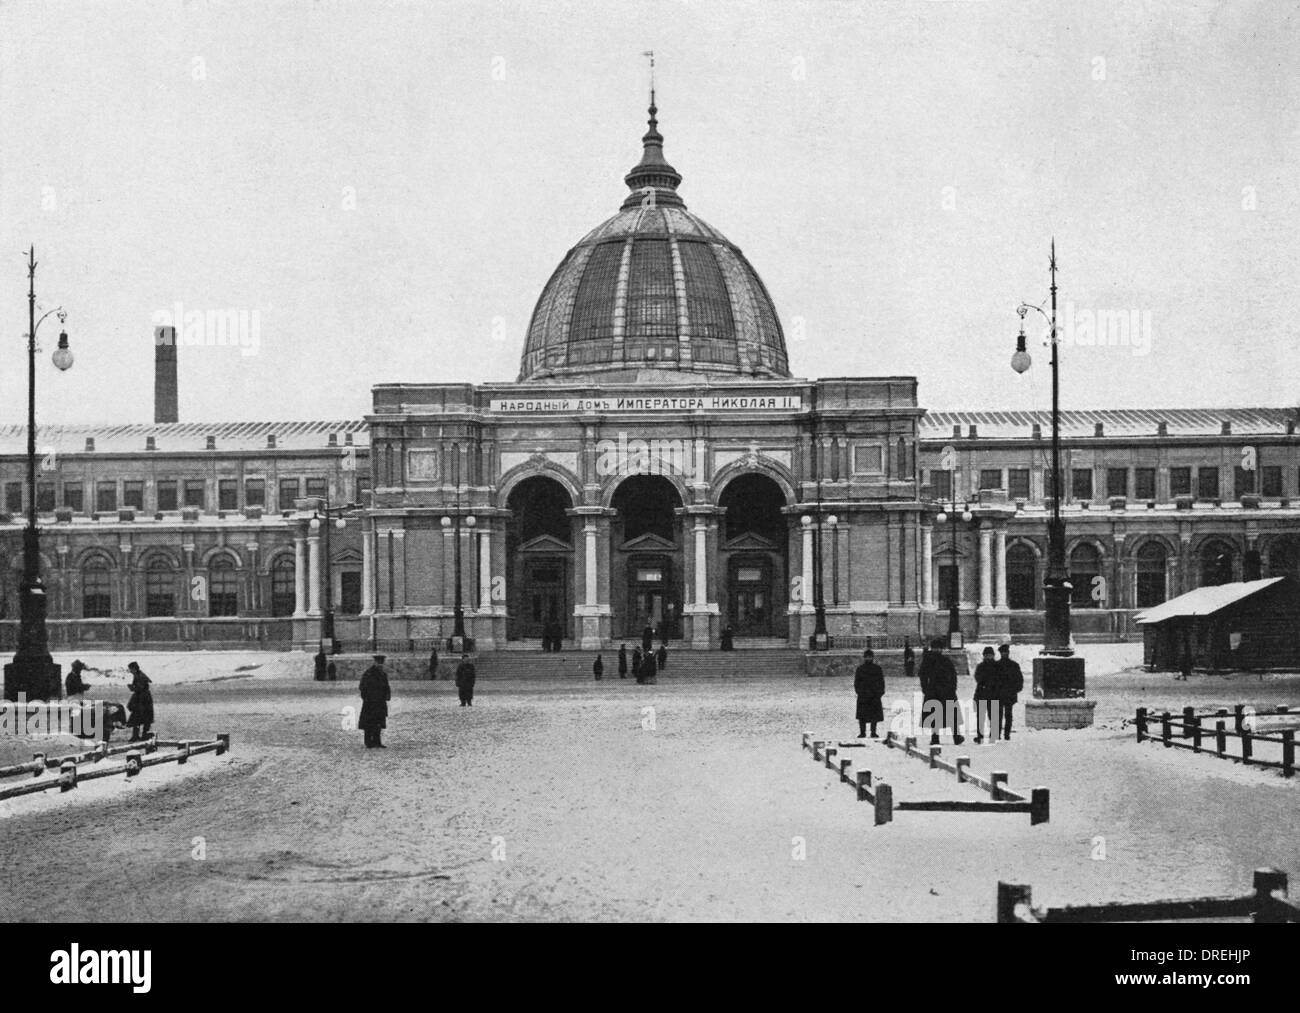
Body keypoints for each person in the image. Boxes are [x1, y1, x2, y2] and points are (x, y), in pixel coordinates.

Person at [920, 638, 963, 746]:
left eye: (938, 648)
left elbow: (953, 675)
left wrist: (953, 687)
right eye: (935, 648)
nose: (936, 650)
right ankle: (935, 738)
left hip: (947, 690)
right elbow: (922, 675)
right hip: (933, 691)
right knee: (934, 715)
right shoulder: (927, 661)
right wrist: (925, 688)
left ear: (941, 649)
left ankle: (956, 737)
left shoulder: (946, 660)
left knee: (952, 715)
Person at [358, 654, 391, 748]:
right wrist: (367, 698)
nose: (380, 665)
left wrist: (386, 696)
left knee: (378, 723)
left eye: (382, 663)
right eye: (379, 663)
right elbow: (362, 687)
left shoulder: (383, 674)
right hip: (370, 703)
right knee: (369, 723)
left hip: (380, 702)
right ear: (375, 662)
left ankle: (377, 742)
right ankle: (368, 742)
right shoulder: (368, 673)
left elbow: (386, 687)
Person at [854, 649, 886, 738]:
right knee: (862, 716)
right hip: (863, 695)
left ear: (872, 658)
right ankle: (862, 732)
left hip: (874, 695)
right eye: (867, 657)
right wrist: (859, 692)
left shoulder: (877, 669)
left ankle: (873, 732)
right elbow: (857, 682)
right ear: (864, 658)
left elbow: (881, 682)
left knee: (874, 716)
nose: (868, 659)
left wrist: (880, 693)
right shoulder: (860, 669)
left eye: (870, 657)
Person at [995, 643, 1023, 741]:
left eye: (1005, 652)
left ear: (1008, 653)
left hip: (1007, 694)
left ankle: (1006, 734)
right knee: (999, 715)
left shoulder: (1013, 665)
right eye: (1003, 653)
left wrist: (1015, 689)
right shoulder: (996, 665)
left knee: (1008, 715)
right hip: (1000, 694)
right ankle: (997, 734)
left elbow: (1019, 680)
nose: (1004, 654)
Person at [972, 646, 998, 743]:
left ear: (993, 655)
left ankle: (993, 735)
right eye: (986, 655)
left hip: (992, 694)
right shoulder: (981, 666)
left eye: (990, 655)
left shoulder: (997, 666)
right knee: (981, 717)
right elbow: (978, 678)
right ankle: (980, 735)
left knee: (993, 716)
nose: (988, 657)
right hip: (982, 694)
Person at [125, 662, 154, 742]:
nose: (130, 671)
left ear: (134, 669)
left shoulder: (140, 676)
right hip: (142, 698)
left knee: (139, 717)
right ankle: (140, 735)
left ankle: (139, 735)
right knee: (142, 718)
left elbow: (140, 688)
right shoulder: (139, 675)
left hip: (142, 699)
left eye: (130, 669)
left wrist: (132, 688)